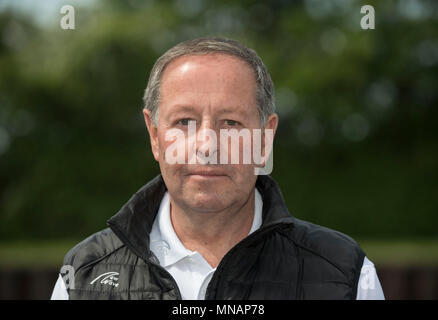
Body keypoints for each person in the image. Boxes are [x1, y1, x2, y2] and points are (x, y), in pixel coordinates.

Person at [51, 37, 384, 300]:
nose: (207, 145)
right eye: (184, 121)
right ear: (155, 135)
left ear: (265, 138)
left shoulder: (347, 275)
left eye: (231, 122)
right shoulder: (82, 276)